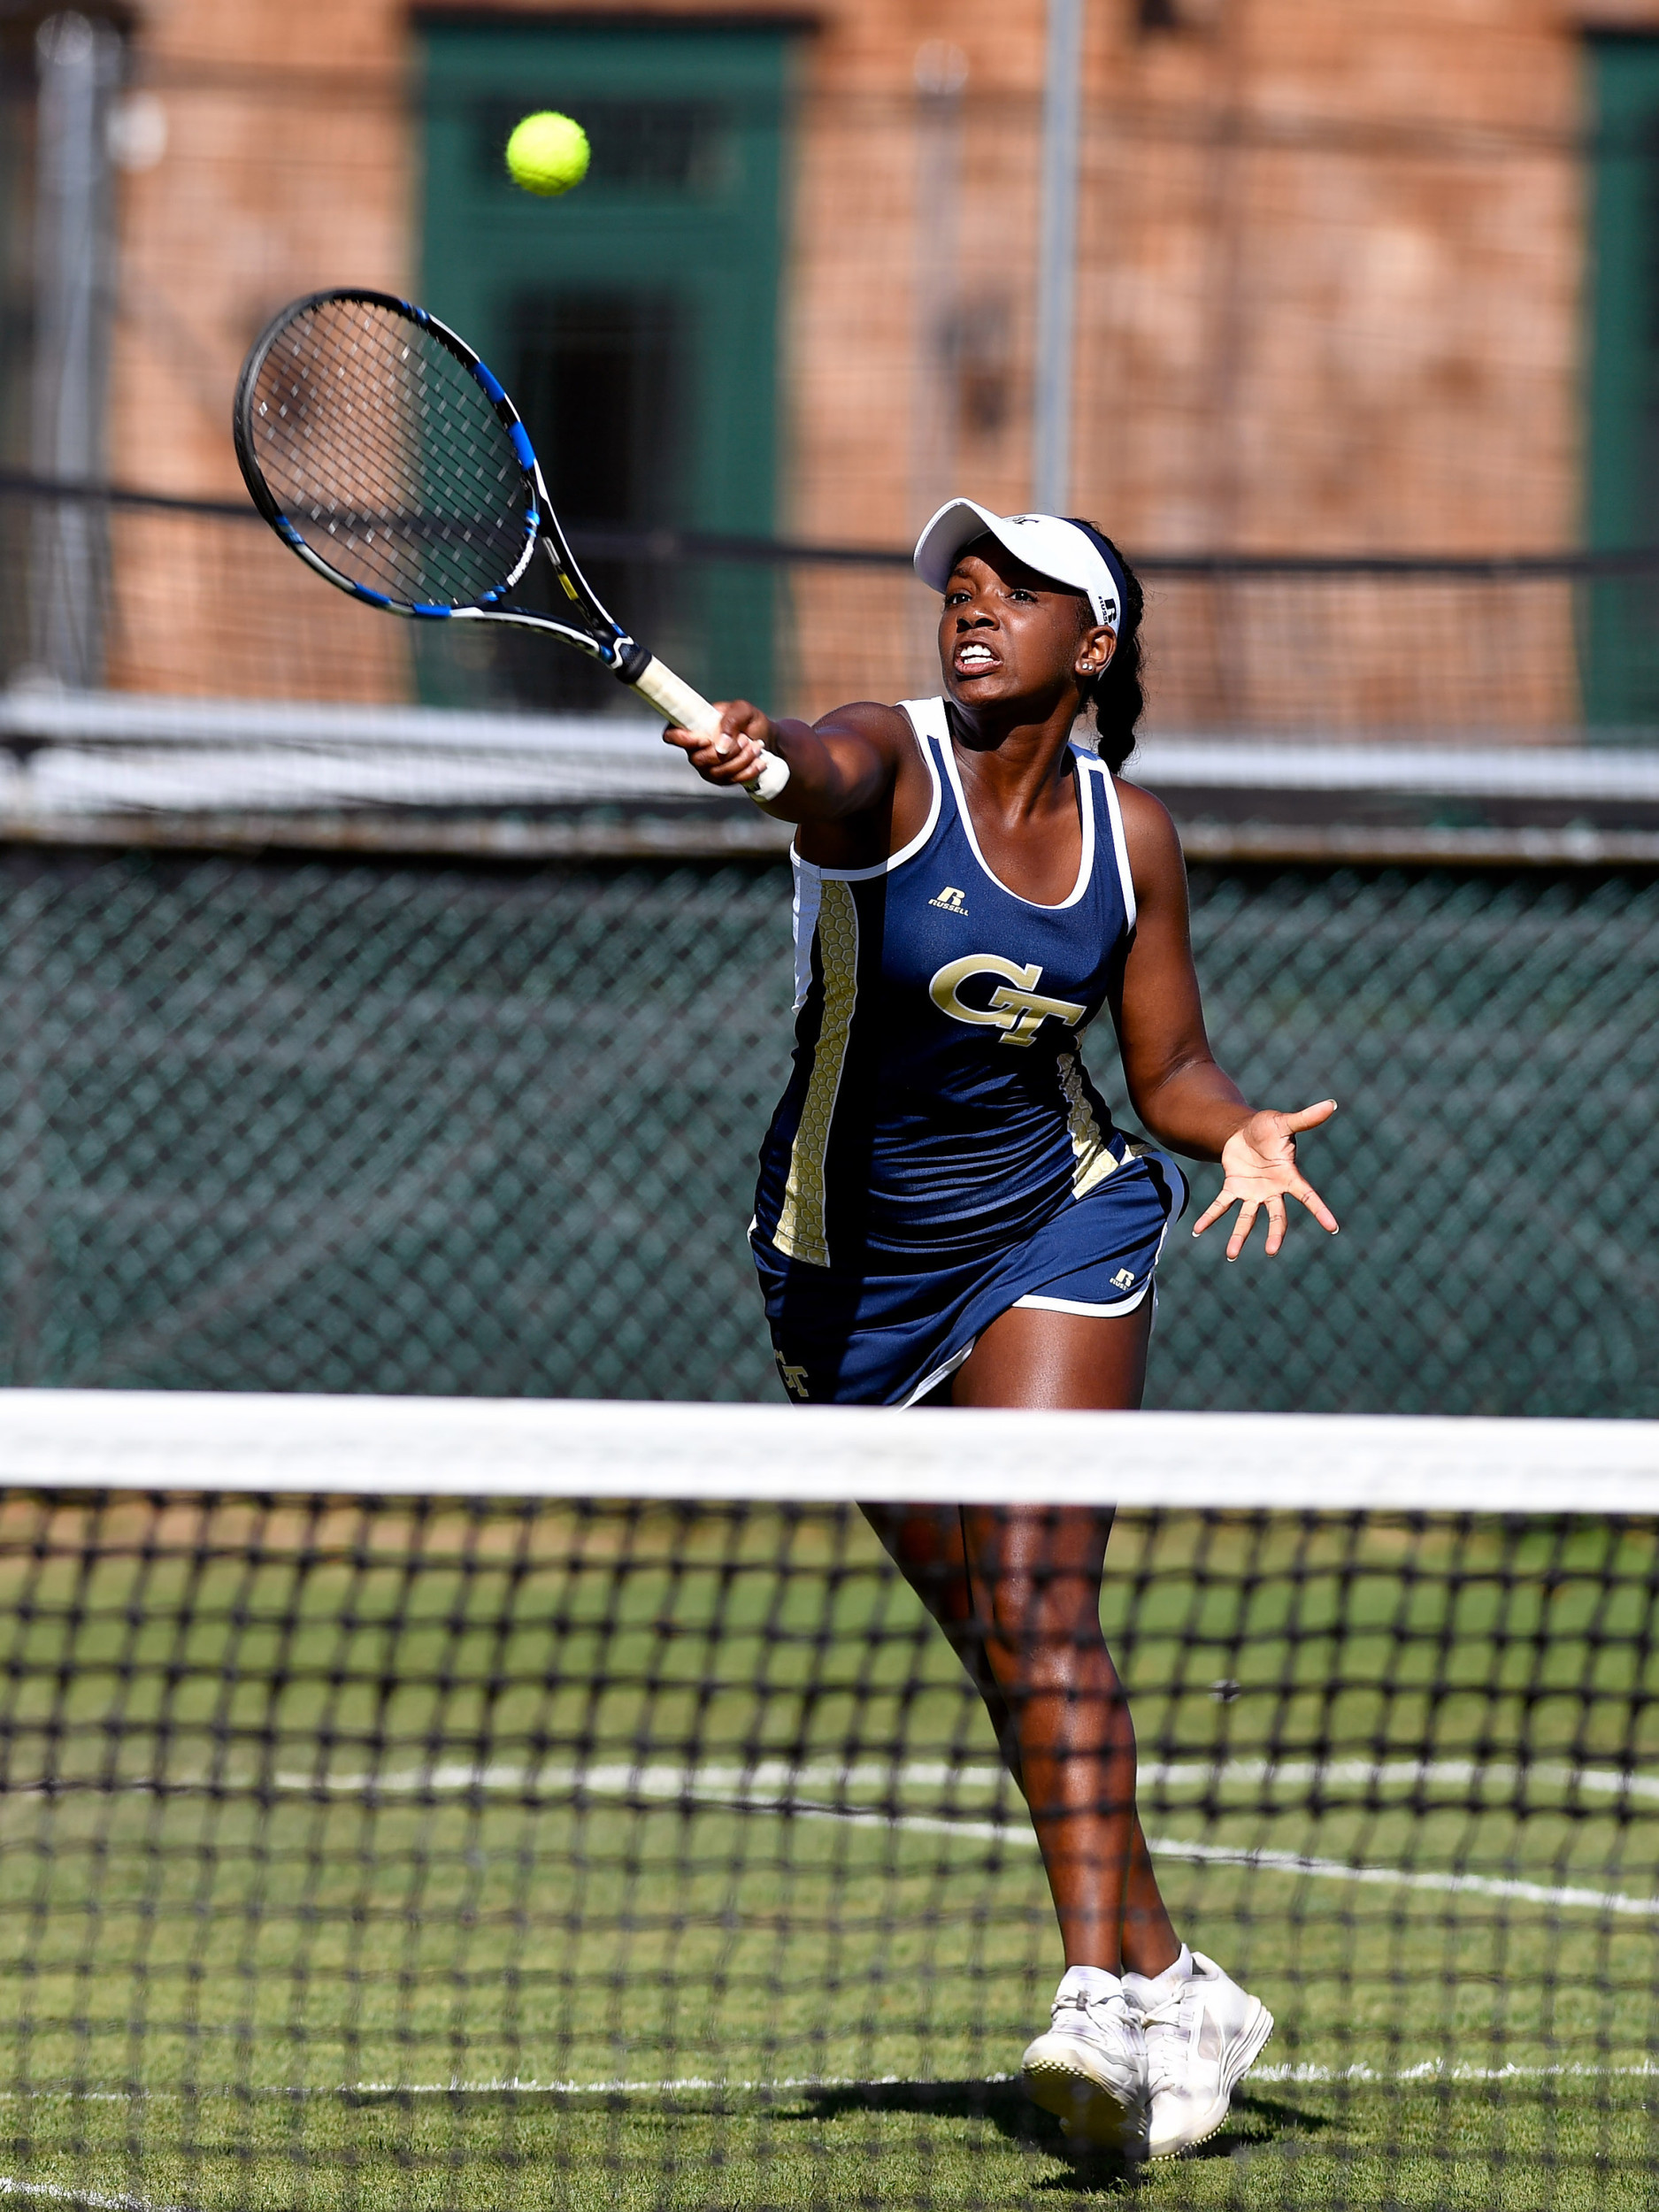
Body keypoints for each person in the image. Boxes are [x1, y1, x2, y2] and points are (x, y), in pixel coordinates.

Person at [664, 499, 1338, 2162]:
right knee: (1002, 1644)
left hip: (1063, 1215)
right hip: (845, 1276)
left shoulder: (1136, 838)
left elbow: (1167, 1064)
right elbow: (819, 771)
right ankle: (1183, 1978)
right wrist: (761, 755)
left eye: (1022, 588)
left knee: (1043, 1597)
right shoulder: (882, 765)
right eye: (961, 583)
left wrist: (1234, 1123)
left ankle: (1100, 1999)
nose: (976, 601)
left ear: (1091, 645)